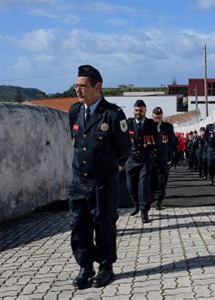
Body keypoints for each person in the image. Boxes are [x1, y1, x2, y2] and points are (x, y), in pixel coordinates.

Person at [68, 65, 130, 288]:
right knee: (79, 227)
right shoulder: (75, 111)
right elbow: (77, 142)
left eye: (83, 86)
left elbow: (124, 149)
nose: (78, 90)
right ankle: (85, 266)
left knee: (104, 226)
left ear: (97, 87)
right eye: (76, 85)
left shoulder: (112, 114)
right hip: (78, 183)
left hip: (102, 184)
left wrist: (112, 171)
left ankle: (106, 267)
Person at [125, 100, 158, 223]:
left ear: (145, 111)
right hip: (131, 159)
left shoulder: (151, 124)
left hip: (146, 160)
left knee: (143, 185)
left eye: (141, 110)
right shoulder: (128, 124)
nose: (138, 112)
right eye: (136, 110)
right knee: (130, 186)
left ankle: (144, 211)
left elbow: (157, 142)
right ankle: (136, 205)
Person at [150, 106, 175, 210]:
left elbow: (172, 143)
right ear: (152, 116)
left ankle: (159, 200)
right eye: (156, 117)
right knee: (150, 179)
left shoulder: (167, 127)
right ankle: (151, 198)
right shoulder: (148, 125)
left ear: (162, 116)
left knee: (162, 180)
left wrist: (170, 157)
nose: (157, 119)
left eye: (159, 117)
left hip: (162, 158)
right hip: (150, 158)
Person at [205, 115, 215, 185]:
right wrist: (209, 145)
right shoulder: (209, 127)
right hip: (211, 148)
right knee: (210, 164)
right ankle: (211, 177)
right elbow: (206, 137)